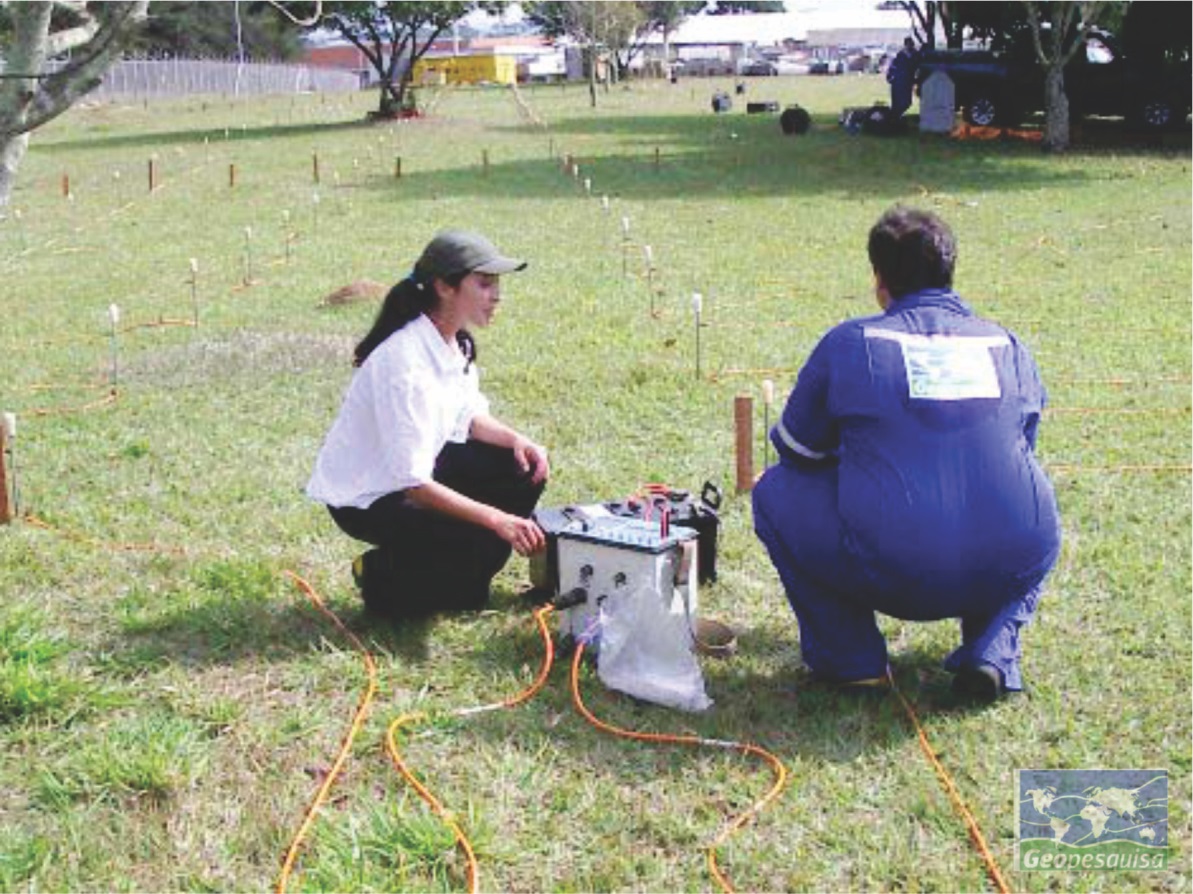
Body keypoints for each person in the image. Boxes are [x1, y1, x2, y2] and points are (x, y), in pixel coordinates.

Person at [752, 207, 1061, 699]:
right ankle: (992, 651)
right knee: (1011, 511)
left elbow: (797, 452)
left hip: (899, 566)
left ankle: (850, 659)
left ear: (879, 279)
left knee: (773, 492)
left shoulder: (851, 342)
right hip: (1018, 550)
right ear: (950, 271)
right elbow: (1023, 445)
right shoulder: (1007, 343)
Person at [306, 230, 550, 619]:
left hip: (417, 475)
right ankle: (380, 575)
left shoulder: (454, 342)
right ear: (444, 287)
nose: (497, 295)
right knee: (473, 549)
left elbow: (467, 417)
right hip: (371, 497)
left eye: (497, 284)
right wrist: (495, 519)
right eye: (484, 284)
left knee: (521, 467)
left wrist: (517, 439)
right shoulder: (403, 362)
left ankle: (461, 574)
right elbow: (413, 485)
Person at [886, 36, 921, 118]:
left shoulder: (915, 55)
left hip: (907, 82)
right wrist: (890, 76)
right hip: (898, 81)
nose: (910, 46)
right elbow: (893, 66)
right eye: (908, 44)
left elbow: (917, 67)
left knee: (907, 102)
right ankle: (894, 119)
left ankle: (895, 117)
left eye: (911, 44)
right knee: (897, 103)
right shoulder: (900, 55)